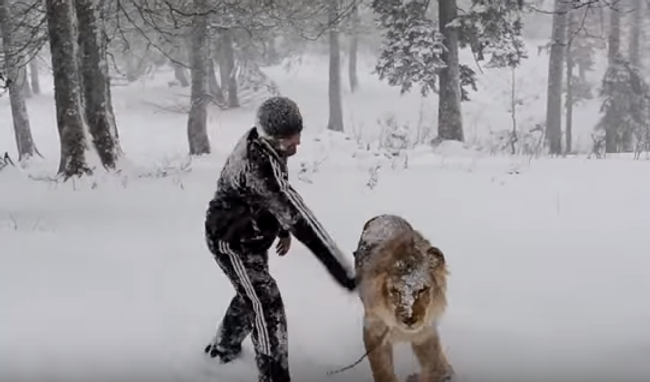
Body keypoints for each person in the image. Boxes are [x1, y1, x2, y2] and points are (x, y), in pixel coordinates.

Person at [203, 96, 357, 382]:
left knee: (251, 294)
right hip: (231, 240)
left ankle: (223, 347)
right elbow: (299, 216)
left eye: (297, 135)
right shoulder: (257, 165)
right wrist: (346, 274)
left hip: (254, 234)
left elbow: (277, 194)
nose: (296, 145)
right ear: (268, 137)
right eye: (288, 141)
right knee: (266, 303)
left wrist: (281, 230)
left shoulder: (266, 145)